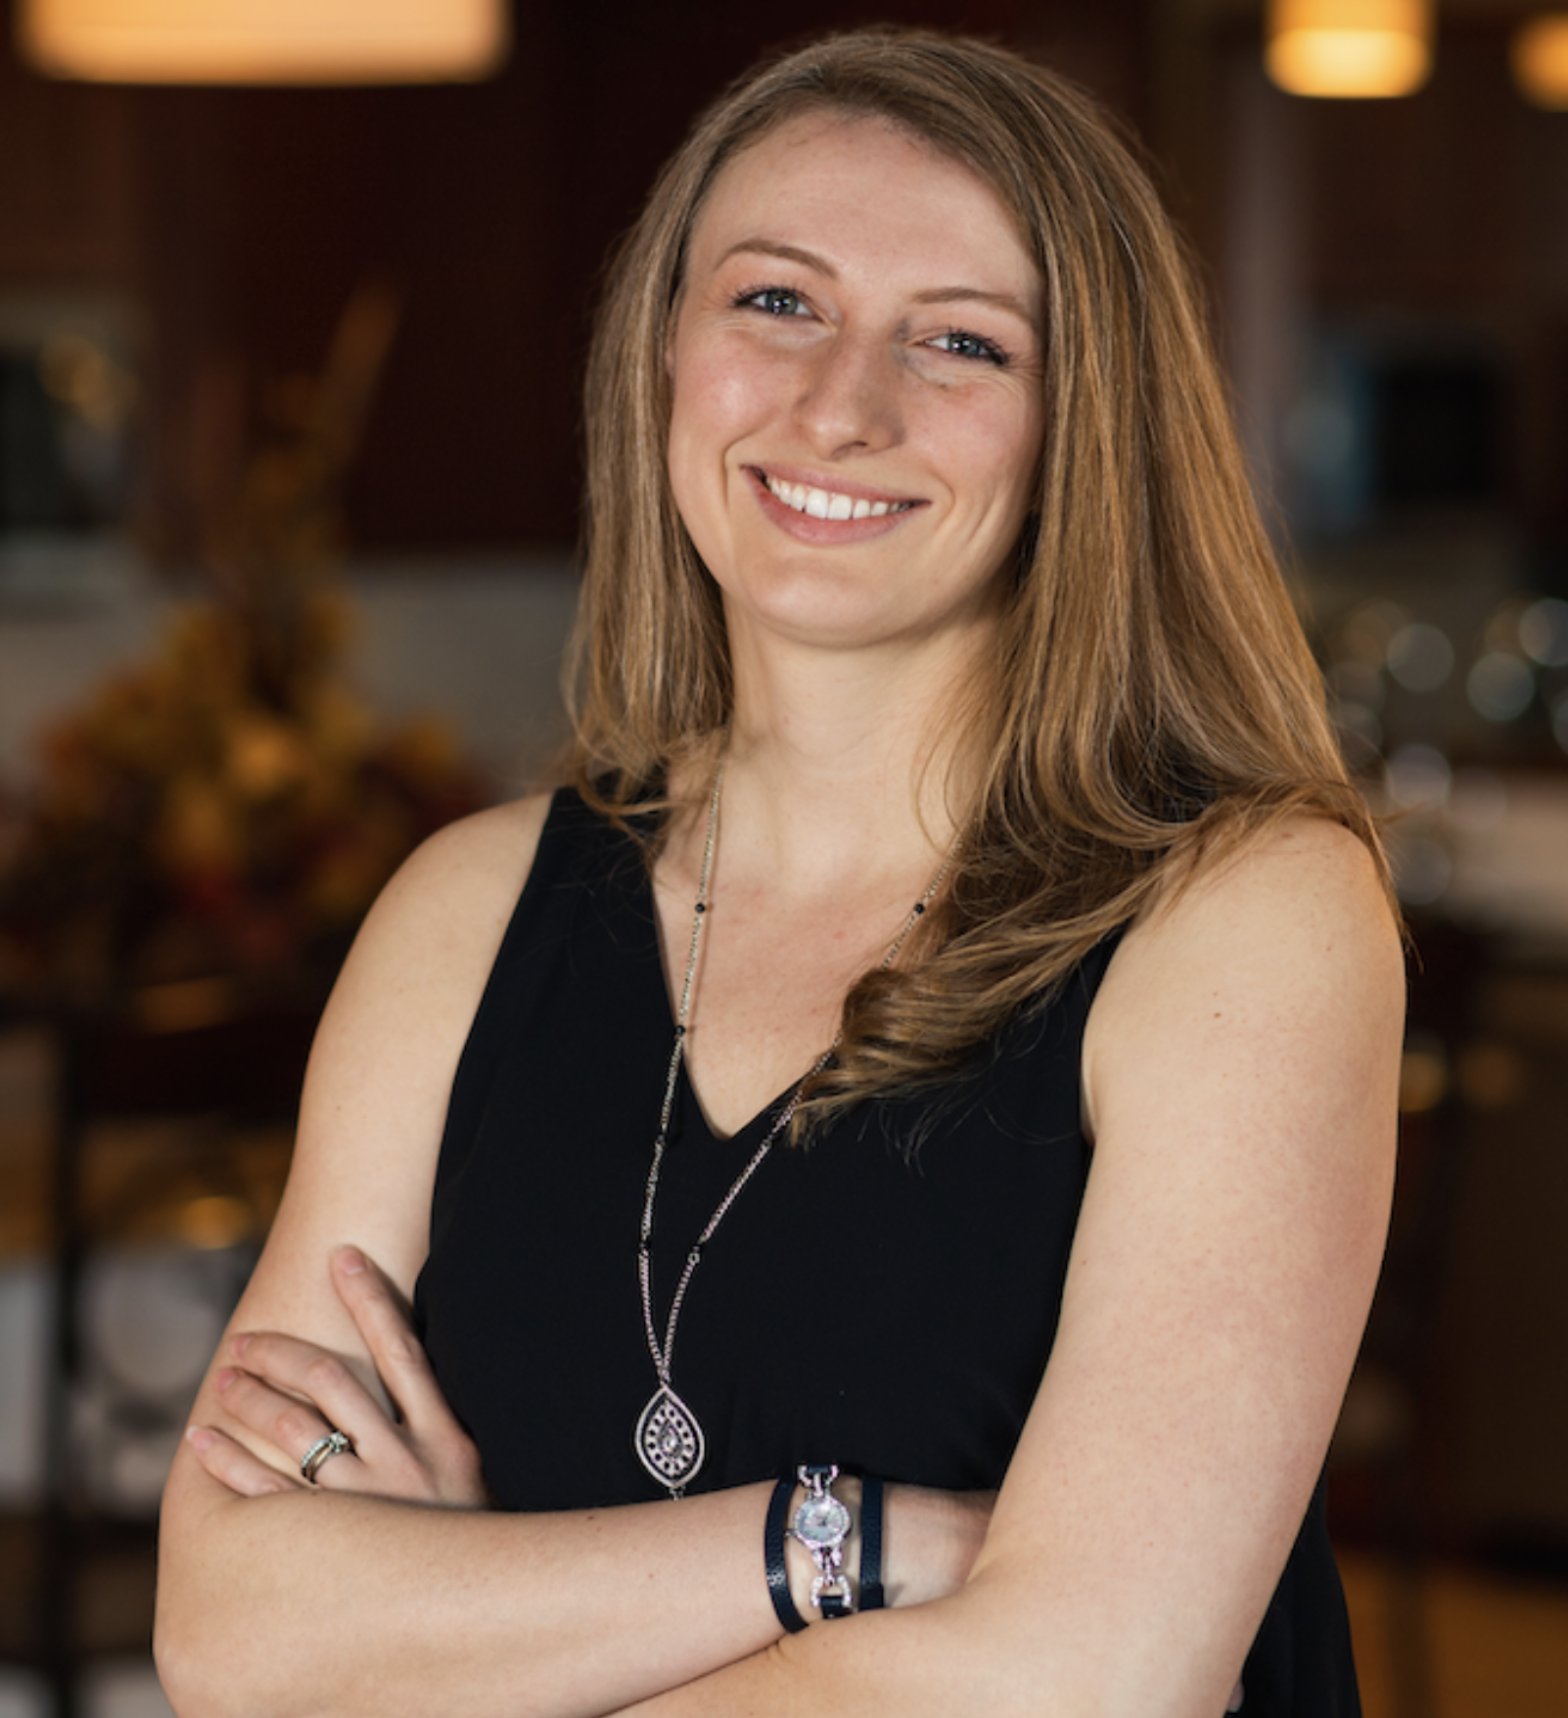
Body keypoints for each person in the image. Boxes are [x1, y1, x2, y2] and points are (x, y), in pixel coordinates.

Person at [155, 26, 1403, 1718]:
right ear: (662, 352)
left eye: (959, 341)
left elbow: (1086, 1677)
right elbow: (234, 1632)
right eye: (774, 301)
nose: (841, 403)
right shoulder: (463, 914)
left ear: (1086, 430)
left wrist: (455, 1647)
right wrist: (843, 1545)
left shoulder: (1242, 914)